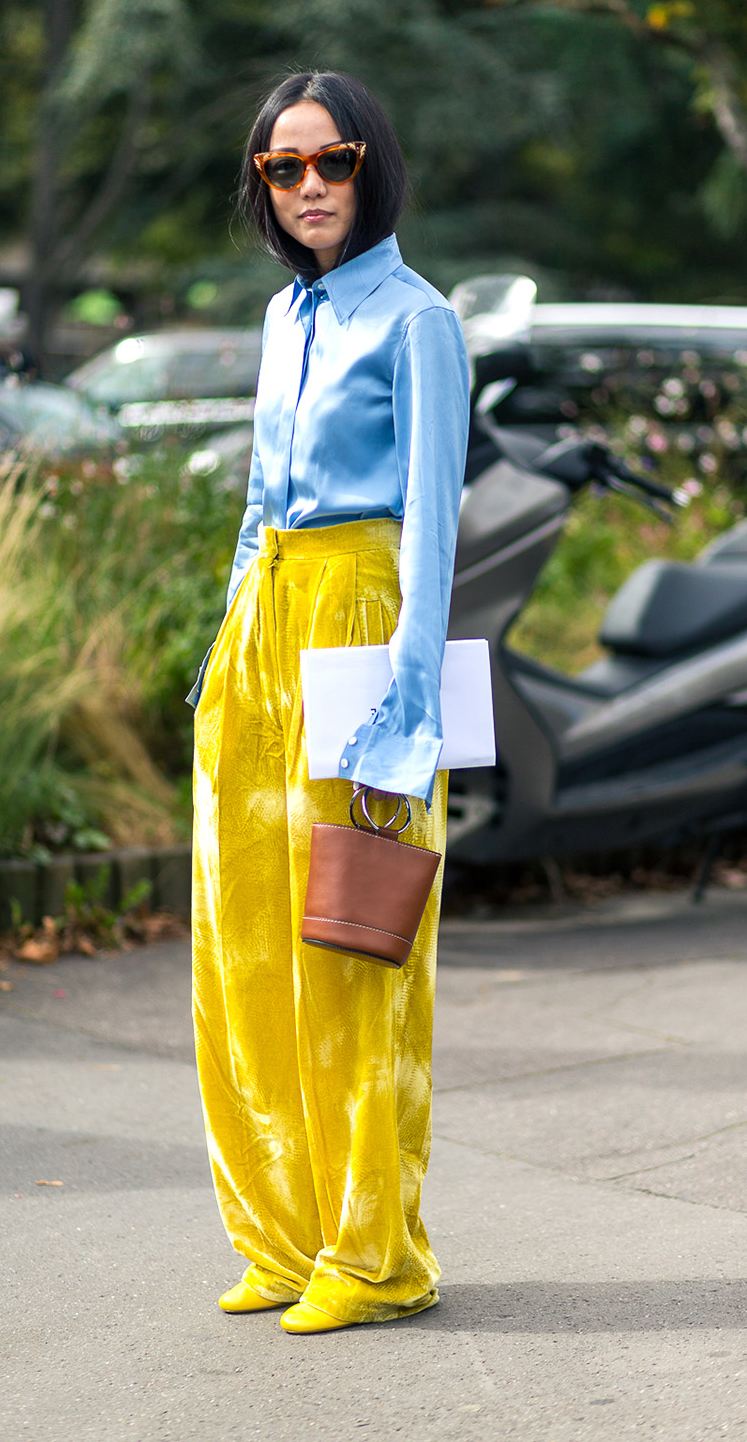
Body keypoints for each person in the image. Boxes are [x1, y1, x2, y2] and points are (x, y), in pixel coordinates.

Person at [188, 71, 469, 1335]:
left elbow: (430, 524)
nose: (308, 186)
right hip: (265, 632)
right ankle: (285, 1237)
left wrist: (407, 718)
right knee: (244, 946)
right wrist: (222, 656)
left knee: (353, 946)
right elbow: (257, 505)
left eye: (332, 160)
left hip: (362, 631)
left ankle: (373, 1255)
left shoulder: (416, 321)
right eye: (281, 167)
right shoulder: (278, 317)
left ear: (372, 167)